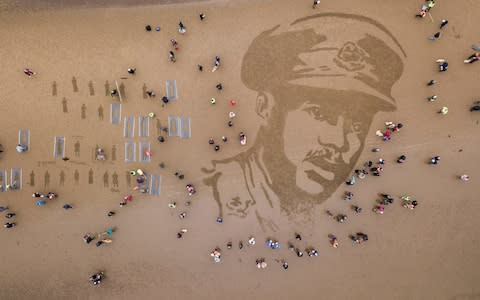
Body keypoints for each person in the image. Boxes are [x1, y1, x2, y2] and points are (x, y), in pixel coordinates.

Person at [202, 13, 406, 231]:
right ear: (266, 107)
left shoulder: (305, 217)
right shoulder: (216, 196)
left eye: (357, 125)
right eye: (319, 113)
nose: (339, 143)